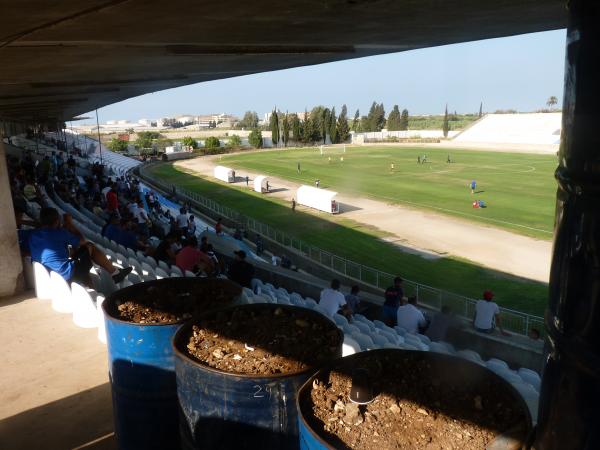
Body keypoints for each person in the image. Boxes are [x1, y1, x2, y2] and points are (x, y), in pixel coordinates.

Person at [29, 207, 131, 286]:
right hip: (65, 275)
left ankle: (93, 284)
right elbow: (82, 242)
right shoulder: (60, 233)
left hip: (47, 275)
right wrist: (70, 224)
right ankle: (115, 273)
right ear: (56, 221)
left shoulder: (33, 235)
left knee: (80, 259)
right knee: (89, 246)